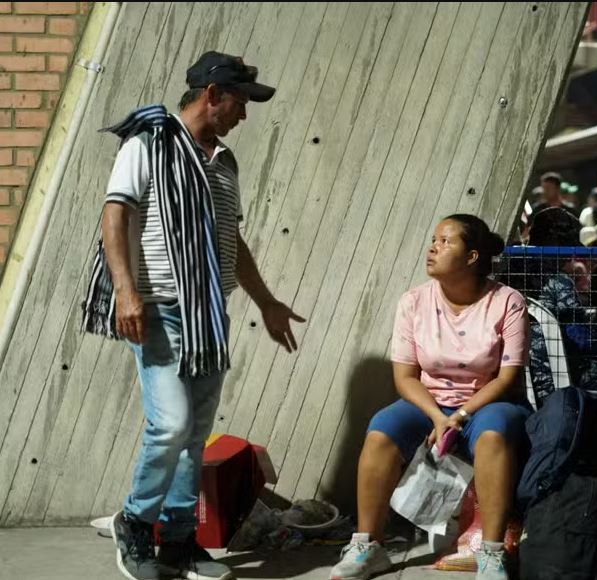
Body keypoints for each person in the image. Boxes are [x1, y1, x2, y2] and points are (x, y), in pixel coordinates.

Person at [82, 51, 306, 580]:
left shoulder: (223, 162)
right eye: (241, 102)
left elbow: (232, 241)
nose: (244, 115)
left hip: (209, 314)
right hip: (157, 307)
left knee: (194, 433)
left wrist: (266, 301)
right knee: (172, 425)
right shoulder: (150, 144)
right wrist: (124, 291)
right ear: (212, 94)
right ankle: (135, 524)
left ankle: (179, 542)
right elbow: (115, 213)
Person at [329, 215, 529, 580]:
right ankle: (367, 546)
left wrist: (462, 413)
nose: (433, 247)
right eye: (433, 239)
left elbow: (507, 377)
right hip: (429, 401)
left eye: (445, 241)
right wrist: (439, 417)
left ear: (471, 257)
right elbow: (405, 377)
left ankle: (491, 552)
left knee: (493, 435)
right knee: (380, 431)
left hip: (487, 401)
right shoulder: (413, 302)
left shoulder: (507, 302)